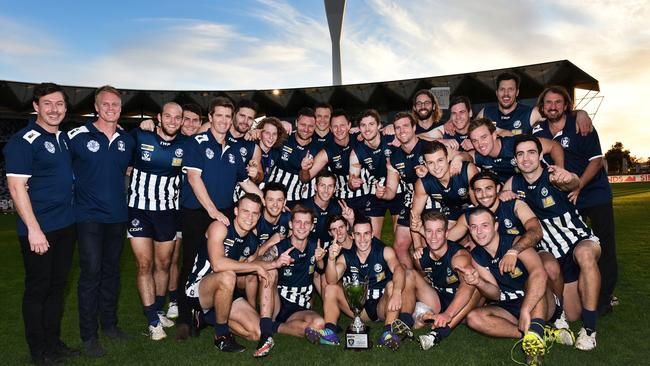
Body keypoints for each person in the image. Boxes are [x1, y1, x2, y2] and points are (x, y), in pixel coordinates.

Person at [175, 97, 262, 340]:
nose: (224, 120)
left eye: (227, 116)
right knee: (192, 264)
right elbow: (194, 179)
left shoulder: (234, 149)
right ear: (210, 118)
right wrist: (213, 212)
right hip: (197, 213)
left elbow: (245, 183)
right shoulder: (197, 143)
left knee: (221, 263)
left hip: (223, 214)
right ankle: (186, 318)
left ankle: (214, 311)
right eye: (219, 115)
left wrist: (269, 203)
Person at [4, 83, 79, 364]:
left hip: (65, 226)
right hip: (39, 230)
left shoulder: (63, 139)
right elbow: (16, 188)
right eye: (47, 103)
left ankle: (53, 342)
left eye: (59, 104)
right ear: (36, 106)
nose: (54, 109)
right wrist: (34, 230)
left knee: (58, 288)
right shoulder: (23, 141)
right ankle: (39, 351)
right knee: (39, 289)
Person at [505, 135, 602, 351]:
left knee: (585, 255)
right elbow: (496, 202)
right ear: (515, 160)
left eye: (531, 152)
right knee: (551, 273)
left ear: (540, 155)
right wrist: (504, 196)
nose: (526, 158)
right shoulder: (513, 183)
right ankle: (559, 318)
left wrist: (571, 178)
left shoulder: (554, 176)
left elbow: (573, 182)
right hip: (547, 247)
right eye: (520, 154)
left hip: (578, 239)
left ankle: (589, 330)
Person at [532, 86, 617, 316]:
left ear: (566, 106)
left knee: (603, 245)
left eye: (558, 102)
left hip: (593, 193)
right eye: (548, 103)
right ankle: (581, 292)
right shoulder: (539, 129)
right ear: (542, 107)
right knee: (573, 245)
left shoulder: (581, 124)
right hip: (567, 197)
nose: (552, 106)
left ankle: (604, 297)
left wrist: (579, 185)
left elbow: (597, 161)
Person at [67, 85, 136, 357]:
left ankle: (109, 326)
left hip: (118, 217)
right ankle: (88, 336)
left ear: (121, 108)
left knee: (111, 274)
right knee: (91, 274)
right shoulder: (77, 137)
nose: (110, 108)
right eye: (105, 104)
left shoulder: (126, 140)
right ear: (96, 107)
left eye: (115, 104)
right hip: (88, 218)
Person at [184, 193, 291, 355]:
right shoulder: (220, 227)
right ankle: (221, 336)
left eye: (255, 213)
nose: (250, 217)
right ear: (236, 211)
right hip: (199, 289)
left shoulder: (252, 241)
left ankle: (208, 318)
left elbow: (248, 266)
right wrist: (256, 267)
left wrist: (273, 264)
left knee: (256, 333)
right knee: (228, 276)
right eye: (245, 211)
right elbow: (218, 264)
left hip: (226, 290)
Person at [462, 208, 554, 365]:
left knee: (531, 281)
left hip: (539, 302)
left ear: (496, 226)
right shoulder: (476, 255)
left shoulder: (515, 242)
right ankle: (533, 334)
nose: (479, 231)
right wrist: (479, 282)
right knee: (473, 318)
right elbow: (495, 294)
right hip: (509, 307)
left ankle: (535, 348)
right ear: (469, 229)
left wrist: (526, 309)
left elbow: (540, 274)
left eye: (484, 225)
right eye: (474, 227)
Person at [127, 102, 187, 340]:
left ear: (182, 121)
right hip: (139, 210)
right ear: (159, 117)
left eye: (178, 118)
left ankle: (159, 309)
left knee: (163, 265)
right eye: (168, 116)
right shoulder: (141, 135)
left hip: (167, 213)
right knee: (144, 265)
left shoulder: (186, 145)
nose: (173, 121)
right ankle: (153, 321)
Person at [308, 216, 413, 351]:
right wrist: (331, 260)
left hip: (382, 306)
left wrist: (398, 292)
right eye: (358, 234)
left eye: (366, 234)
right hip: (360, 308)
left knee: (392, 285)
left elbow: (398, 269)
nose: (362, 239)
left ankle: (388, 333)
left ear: (372, 234)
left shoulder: (384, 250)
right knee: (330, 288)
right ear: (352, 236)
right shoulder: (347, 256)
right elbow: (332, 279)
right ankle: (330, 332)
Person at [409, 212, 480, 350]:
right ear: (424, 233)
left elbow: (467, 286)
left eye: (439, 231)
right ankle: (404, 322)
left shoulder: (458, 256)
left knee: (474, 285)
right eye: (429, 231)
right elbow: (424, 277)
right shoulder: (420, 257)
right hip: (439, 299)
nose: (433, 236)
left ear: (447, 233)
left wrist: (448, 314)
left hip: (462, 305)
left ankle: (437, 334)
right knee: (408, 274)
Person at [267, 206, 327, 344]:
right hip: (279, 304)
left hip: (301, 305)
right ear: (290, 224)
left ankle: (277, 327)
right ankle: (274, 322)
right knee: (269, 272)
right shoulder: (280, 248)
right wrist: (275, 263)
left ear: (312, 226)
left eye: (306, 223)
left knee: (318, 323)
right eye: (298, 222)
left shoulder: (315, 246)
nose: (302, 226)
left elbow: (321, 271)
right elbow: (258, 265)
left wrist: (320, 260)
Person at [167, 102, 203, 320]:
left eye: (194, 120)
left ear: (200, 123)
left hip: (191, 209)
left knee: (190, 257)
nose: (189, 124)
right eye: (185, 119)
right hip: (171, 207)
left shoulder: (201, 143)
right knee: (170, 257)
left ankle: (189, 298)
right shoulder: (172, 141)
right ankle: (173, 300)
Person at [476, 72, 593, 136]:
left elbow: (557, 113)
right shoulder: (485, 113)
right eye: (502, 89)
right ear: (497, 93)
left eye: (510, 89)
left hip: (522, 170)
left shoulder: (531, 113)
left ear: (517, 92)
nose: (506, 94)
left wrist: (582, 113)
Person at [349, 109, 403, 239]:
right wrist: (352, 183)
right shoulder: (357, 152)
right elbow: (352, 181)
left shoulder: (392, 138)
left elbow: (414, 136)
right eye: (363, 125)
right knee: (373, 238)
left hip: (399, 191)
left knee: (402, 241)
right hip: (375, 193)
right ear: (359, 128)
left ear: (379, 125)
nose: (367, 129)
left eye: (371, 124)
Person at [300, 109, 366, 213]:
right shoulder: (327, 151)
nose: (339, 129)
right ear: (330, 128)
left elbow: (376, 132)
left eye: (342, 125)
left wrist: (389, 128)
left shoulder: (360, 138)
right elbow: (305, 178)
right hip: (342, 199)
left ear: (349, 125)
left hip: (366, 195)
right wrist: (304, 169)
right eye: (335, 126)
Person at [467, 117, 564, 183]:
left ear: (494, 135)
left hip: (543, 183)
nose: (480, 144)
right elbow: (463, 155)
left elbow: (554, 145)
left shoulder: (516, 143)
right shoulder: (479, 155)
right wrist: (457, 159)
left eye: (484, 137)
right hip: (515, 190)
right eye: (475, 141)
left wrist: (560, 171)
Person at [266, 107, 322, 205]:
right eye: (303, 124)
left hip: (300, 200)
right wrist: (278, 124)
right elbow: (263, 133)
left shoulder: (318, 149)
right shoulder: (283, 138)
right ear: (296, 123)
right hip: (274, 197)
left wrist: (304, 169)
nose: (306, 129)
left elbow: (305, 179)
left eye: (310, 126)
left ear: (315, 126)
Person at [255, 117, 288, 186]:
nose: (271, 137)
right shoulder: (250, 149)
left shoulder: (276, 153)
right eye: (267, 133)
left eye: (274, 134)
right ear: (260, 133)